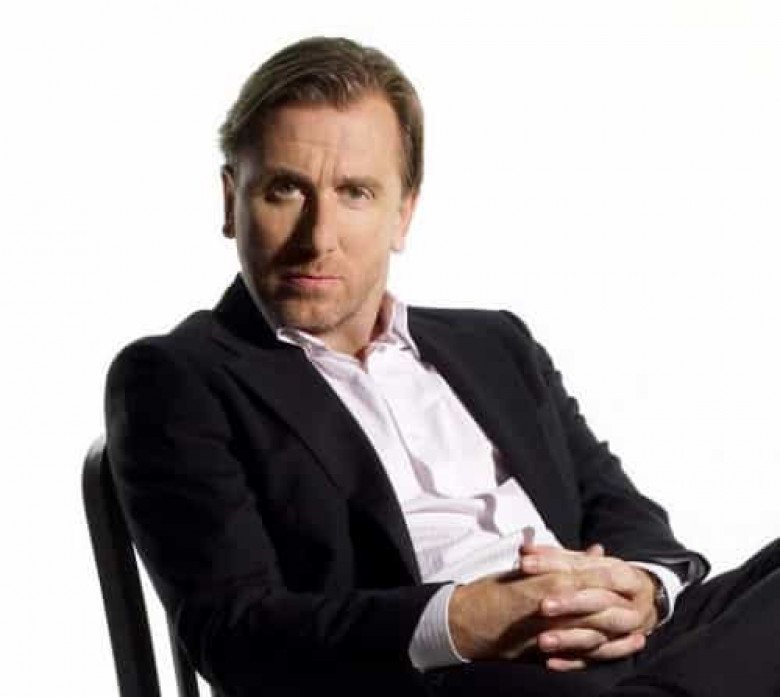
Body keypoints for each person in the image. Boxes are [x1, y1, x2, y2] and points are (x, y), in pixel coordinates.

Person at [105, 36, 780, 697]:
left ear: (403, 213)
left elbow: (616, 505)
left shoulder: (495, 343)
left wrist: (643, 589)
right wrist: (461, 621)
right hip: (452, 674)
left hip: (625, 645)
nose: (319, 237)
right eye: (285, 189)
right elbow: (238, 636)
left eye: (355, 192)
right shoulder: (175, 377)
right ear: (231, 200)